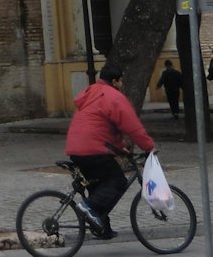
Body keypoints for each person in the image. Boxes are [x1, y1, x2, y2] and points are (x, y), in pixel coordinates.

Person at [65, 63, 155, 240]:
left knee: (99, 187)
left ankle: (103, 230)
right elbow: (133, 127)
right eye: (121, 81)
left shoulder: (91, 93)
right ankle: (87, 207)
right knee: (117, 181)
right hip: (92, 150)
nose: (122, 84)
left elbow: (101, 127)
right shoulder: (113, 96)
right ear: (115, 81)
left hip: (77, 148)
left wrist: (119, 148)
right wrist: (149, 147)